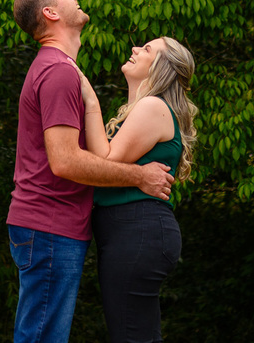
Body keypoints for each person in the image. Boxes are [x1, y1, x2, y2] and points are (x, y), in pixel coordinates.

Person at [8, 0, 176, 343]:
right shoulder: (57, 72)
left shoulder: (59, 69)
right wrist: (138, 176)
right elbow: (66, 162)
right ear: (50, 12)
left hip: (51, 225)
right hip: (49, 223)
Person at [80, 36, 198, 343]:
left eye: (146, 49)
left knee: (132, 336)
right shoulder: (142, 109)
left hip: (138, 230)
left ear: (161, 68)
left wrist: (90, 101)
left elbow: (103, 163)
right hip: (133, 231)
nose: (134, 49)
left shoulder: (152, 106)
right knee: (135, 334)